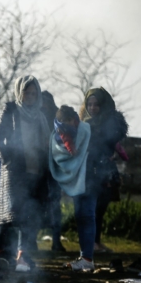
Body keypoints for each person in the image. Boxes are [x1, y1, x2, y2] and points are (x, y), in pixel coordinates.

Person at [0, 76, 50, 272]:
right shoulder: (11, 111)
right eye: (27, 92)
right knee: (8, 215)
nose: (30, 96)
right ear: (20, 92)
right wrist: (8, 160)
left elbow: (46, 144)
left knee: (29, 215)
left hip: (36, 171)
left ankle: (22, 256)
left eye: (34, 93)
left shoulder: (40, 116)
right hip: (15, 173)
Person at [79, 87, 128, 254]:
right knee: (90, 209)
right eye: (90, 104)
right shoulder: (84, 125)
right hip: (90, 173)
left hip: (105, 173)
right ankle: (91, 243)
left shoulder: (111, 124)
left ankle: (96, 242)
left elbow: (111, 140)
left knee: (100, 209)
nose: (92, 108)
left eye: (96, 105)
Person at [48, 105, 93, 271]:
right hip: (78, 178)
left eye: (71, 120)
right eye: (66, 121)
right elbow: (63, 151)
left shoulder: (85, 129)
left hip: (89, 177)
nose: (70, 123)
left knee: (87, 216)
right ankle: (86, 257)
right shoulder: (59, 133)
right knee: (81, 216)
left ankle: (87, 257)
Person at [41, 91, 65, 252]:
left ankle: (56, 241)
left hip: (53, 169)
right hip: (38, 168)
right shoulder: (35, 118)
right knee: (37, 205)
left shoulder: (58, 122)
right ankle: (32, 242)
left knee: (54, 205)